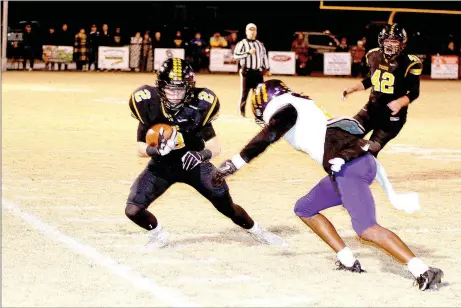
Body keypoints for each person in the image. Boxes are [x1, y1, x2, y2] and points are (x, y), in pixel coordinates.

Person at [212, 79, 443, 291]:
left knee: (367, 229)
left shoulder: (288, 108)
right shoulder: (300, 104)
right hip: (347, 165)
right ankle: (347, 259)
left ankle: (422, 270)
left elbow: (268, 135)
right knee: (305, 208)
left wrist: (235, 163)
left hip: (348, 167)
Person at [125, 58, 285, 248]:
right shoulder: (148, 104)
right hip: (162, 166)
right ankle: (158, 234)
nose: (175, 95)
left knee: (228, 208)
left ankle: (257, 231)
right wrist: (155, 150)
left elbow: (215, 146)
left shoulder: (198, 106)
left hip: (195, 165)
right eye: (170, 89)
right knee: (133, 210)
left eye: (180, 89)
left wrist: (201, 155)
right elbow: (139, 148)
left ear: (189, 87)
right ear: (160, 87)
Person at [342, 23, 423, 157]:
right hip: (371, 109)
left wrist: (400, 102)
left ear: (402, 43)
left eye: (394, 41)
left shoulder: (410, 62)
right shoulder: (373, 55)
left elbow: (414, 92)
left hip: (391, 117)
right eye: (387, 41)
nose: (390, 44)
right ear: (381, 41)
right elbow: (370, 80)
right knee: (345, 138)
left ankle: (362, 174)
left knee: (368, 151)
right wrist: (352, 89)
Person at [233, 23, 271, 117]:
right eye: (250, 30)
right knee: (244, 94)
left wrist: (267, 68)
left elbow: (264, 57)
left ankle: (259, 114)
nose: (252, 32)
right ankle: (242, 114)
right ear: (246, 32)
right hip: (247, 72)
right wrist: (247, 53)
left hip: (258, 73)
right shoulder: (242, 43)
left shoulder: (260, 44)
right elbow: (235, 56)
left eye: (254, 30)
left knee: (259, 95)